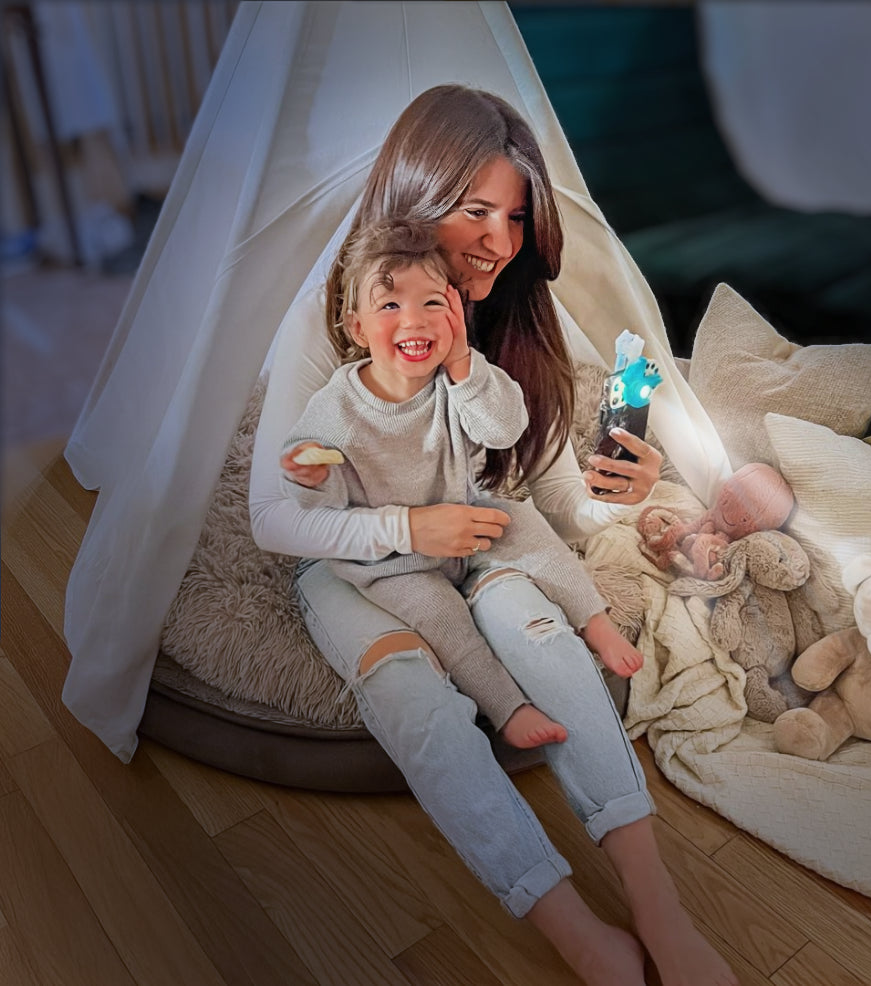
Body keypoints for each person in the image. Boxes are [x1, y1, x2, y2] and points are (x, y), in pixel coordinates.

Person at [251, 84, 738, 986]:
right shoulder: (333, 325)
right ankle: (571, 929)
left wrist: (626, 494)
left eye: (515, 217)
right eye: (476, 210)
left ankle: (655, 901)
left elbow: (542, 493)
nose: (501, 241)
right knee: (414, 697)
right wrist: (406, 525)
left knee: (533, 625)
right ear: (415, 197)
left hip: (473, 529)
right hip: (357, 564)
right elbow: (276, 517)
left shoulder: (497, 315)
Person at [280, 219, 643, 749]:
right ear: (358, 329)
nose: (414, 320)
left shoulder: (459, 381)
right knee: (444, 621)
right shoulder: (335, 410)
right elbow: (322, 508)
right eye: (390, 306)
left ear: (456, 314)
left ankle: (594, 621)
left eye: (432, 304)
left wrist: (464, 364)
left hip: (467, 521)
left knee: (524, 522)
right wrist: (309, 478)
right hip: (393, 563)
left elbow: (506, 429)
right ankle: (507, 707)